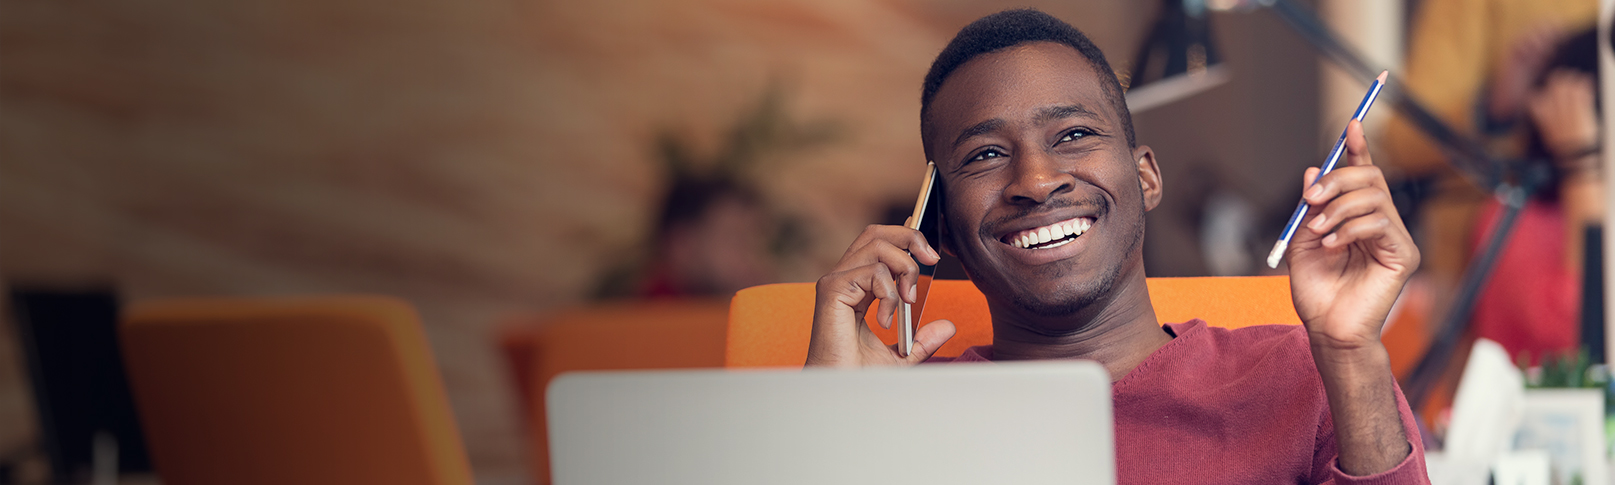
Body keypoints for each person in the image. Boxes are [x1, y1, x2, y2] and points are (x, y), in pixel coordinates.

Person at [804, 9, 1428, 484]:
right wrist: (835, 425)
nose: (1037, 181)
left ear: (1146, 178)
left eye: (1073, 134)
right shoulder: (894, 410)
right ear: (938, 226)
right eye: (986, 155)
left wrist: (1350, 356)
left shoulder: (1305, 372)